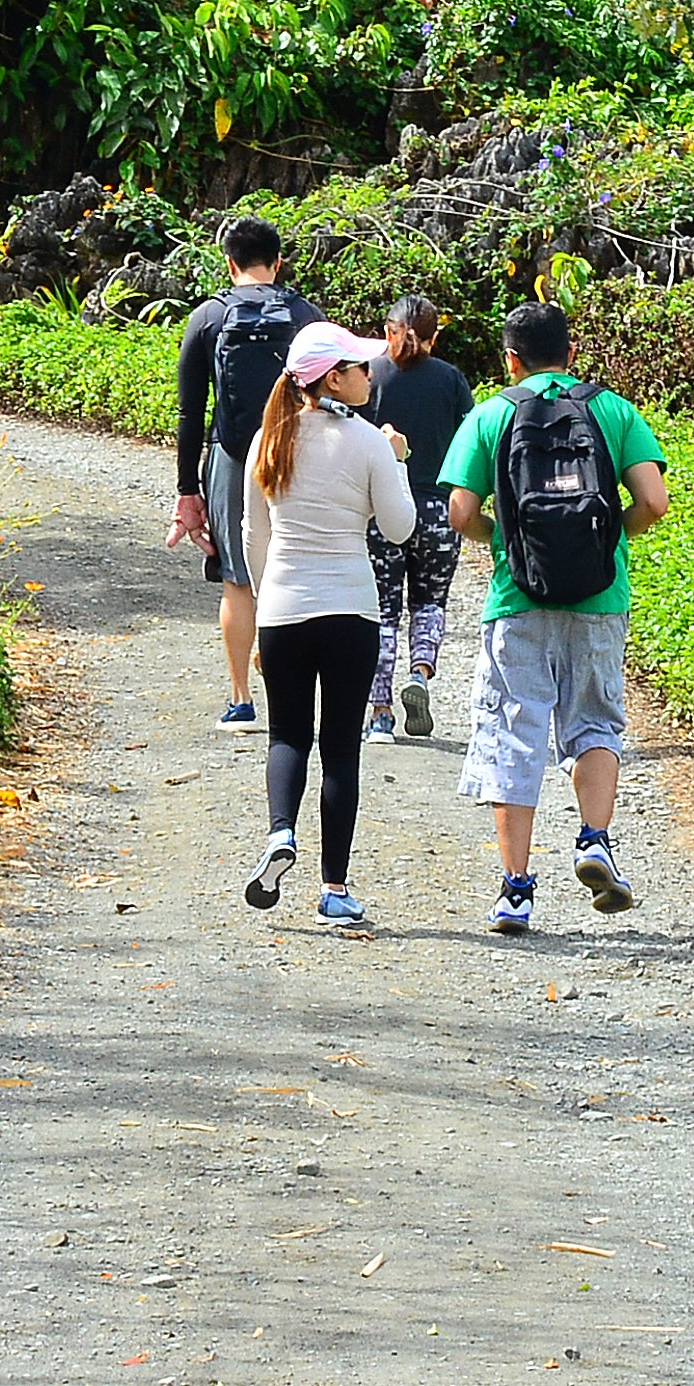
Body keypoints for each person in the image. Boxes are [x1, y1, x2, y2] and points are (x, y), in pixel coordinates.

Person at [439, 298, 671, 935]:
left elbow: (461, 514)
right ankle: (595, 839)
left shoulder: (490, 416)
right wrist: (611, 542)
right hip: (600, 598)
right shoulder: (612, 409)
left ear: (509, 360)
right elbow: (653, 499)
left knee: (515, 733)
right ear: (571, 353)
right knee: (595, 724)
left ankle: (515, 890)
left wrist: (508, 543)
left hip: (518, 602)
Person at [237, 321, 418, 930]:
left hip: (283, 609)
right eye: (360, 366)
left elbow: (254, 538)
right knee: (340, 749)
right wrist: (397, 463)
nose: (371, 374)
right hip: (350, 609)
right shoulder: (368, 441)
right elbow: (399, 528)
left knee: (286, 735)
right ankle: (334, 890)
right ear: (333, 378)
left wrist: (264, 610)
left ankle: (279, 833)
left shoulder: (269, 438)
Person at [171, 216, 308, 730]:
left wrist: (188, 491)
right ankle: (290, 693)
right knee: (291, 569)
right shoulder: (303, 315)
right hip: (295, 454)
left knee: (238, 580)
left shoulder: (209, 317)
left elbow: (189, 412)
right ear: (277, 263)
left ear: (229, 264)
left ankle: (241, 699)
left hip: (230, 457)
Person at [359, 296, 471, 741]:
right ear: (434, 336)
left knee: (382, 611)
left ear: (388, 330)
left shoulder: (367, 374)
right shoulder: (451, 380)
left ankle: (381, 713)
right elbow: (469, 444)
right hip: (438, 511)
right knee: (430, 603)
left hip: (383, 510)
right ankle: (420, 674)